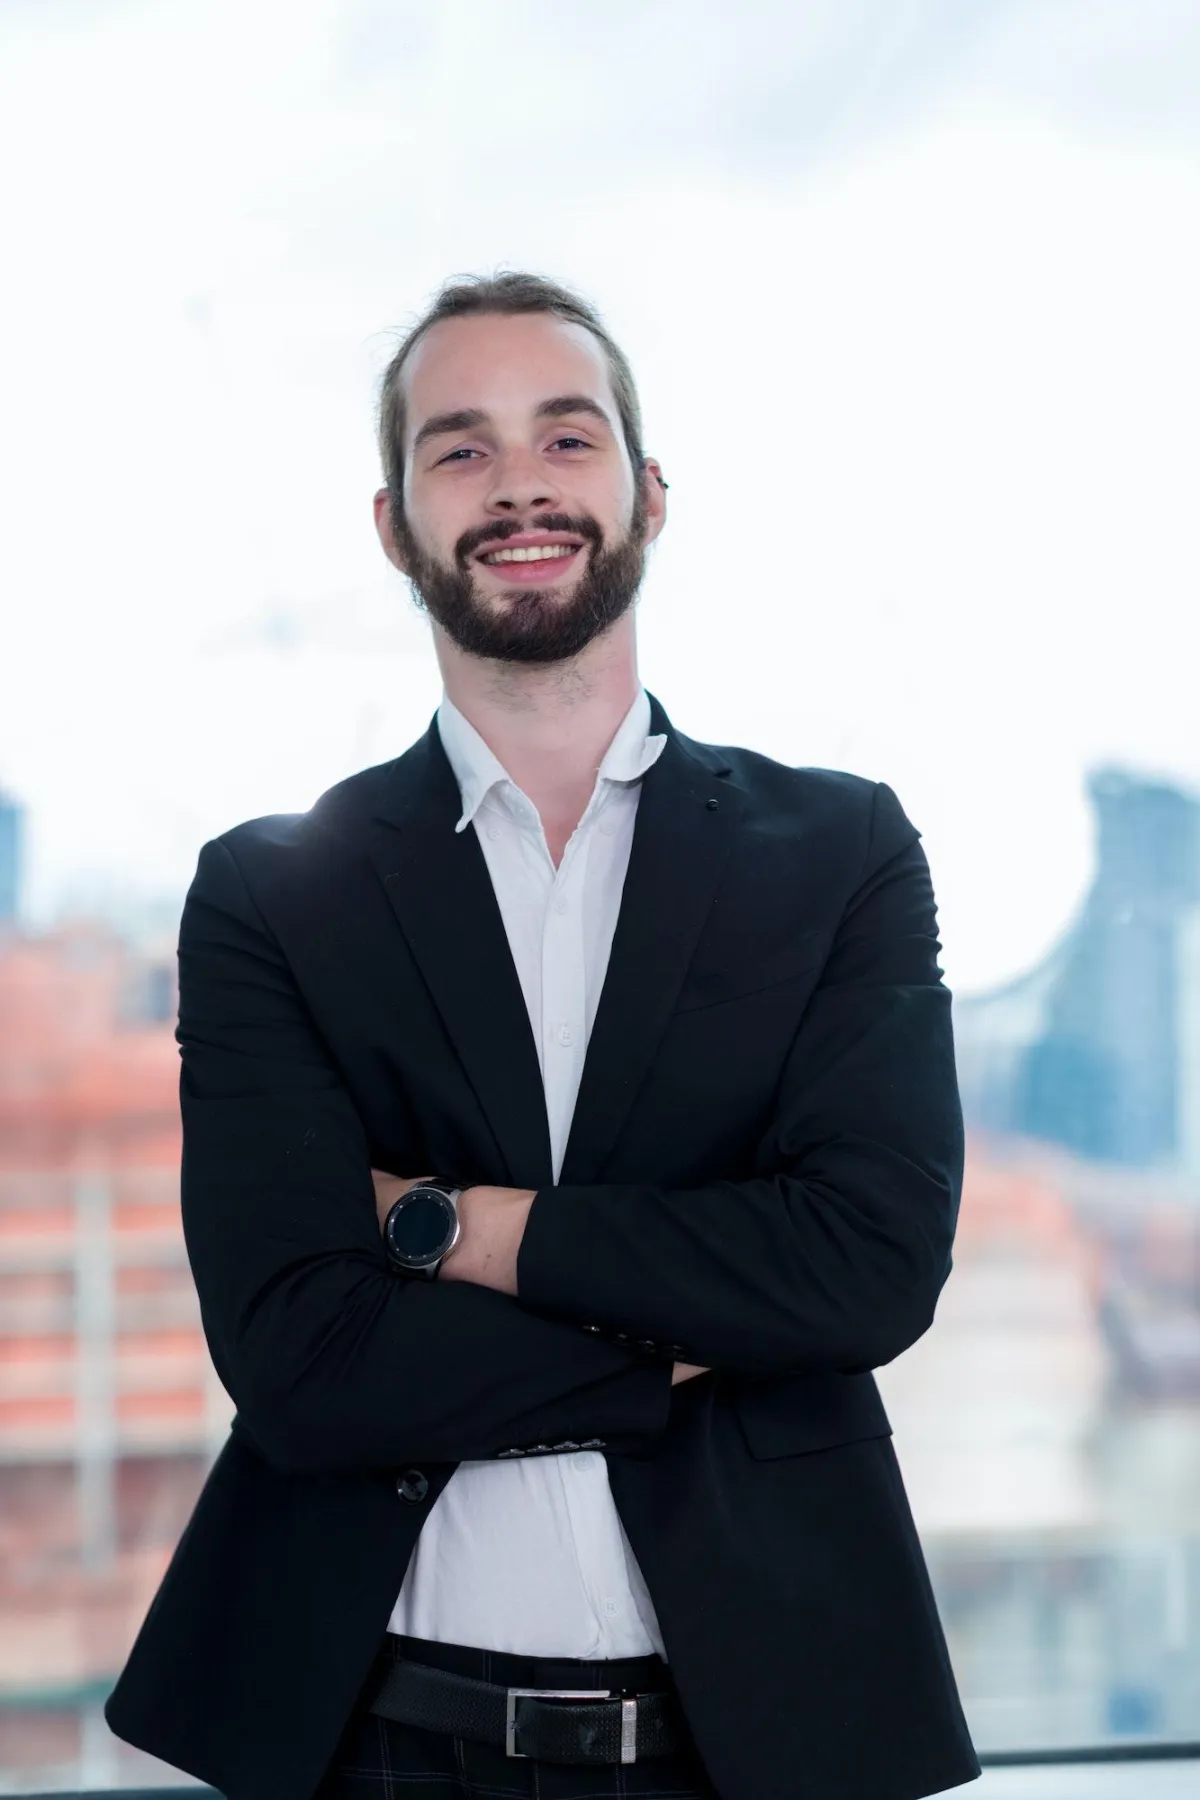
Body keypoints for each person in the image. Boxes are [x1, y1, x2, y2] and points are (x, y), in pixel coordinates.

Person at [104, 272, 981, 1800]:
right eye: (461, 448)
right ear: (395, 524)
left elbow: (869, 1269)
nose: (518, 483)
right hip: (376, 1740)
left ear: (648, 493)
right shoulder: (269, 893)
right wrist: (705, 1339)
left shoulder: (843, 852)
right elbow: (304, 1364)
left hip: (771, 1736)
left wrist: (452, 1228)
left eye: (566, 438)